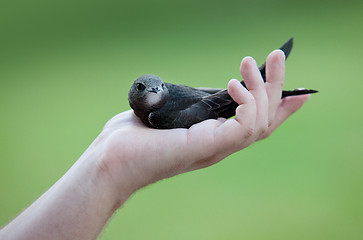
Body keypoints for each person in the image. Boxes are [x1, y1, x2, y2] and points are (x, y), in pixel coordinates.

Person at [0, 50, 310, 240]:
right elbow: (197, 98)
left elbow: (199, 99)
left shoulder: (159, 115)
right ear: (133, 93)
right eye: (145, 88)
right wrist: (110, 166)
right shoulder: (151, 110)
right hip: (207, 101)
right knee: (247, 92)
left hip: (209, 103)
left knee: (247, 94)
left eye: (158, 87)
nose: (154, 91)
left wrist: (229, 97)